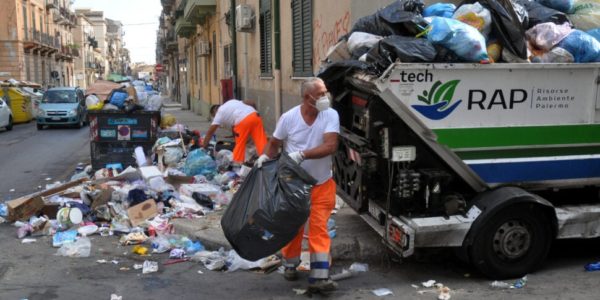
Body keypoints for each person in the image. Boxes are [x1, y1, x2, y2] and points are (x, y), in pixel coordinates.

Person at [255, 77, 340, 293]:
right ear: (307, 97)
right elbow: (274, 143)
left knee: (319, 228)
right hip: (293, 185)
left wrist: (302, 154)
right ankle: (290, 265)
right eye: (320, 94)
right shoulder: (289, 118)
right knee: (293, 227)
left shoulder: (330, 114)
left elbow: (331, 145)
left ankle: (320, 277)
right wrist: (265, 158)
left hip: (321, 184)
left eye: (325, 92)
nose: (325, 97)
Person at [202, 99, 267, 163]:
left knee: (240, 144)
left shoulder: (219, 113)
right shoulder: (231, 102)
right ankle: (266, 160)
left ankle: (237, 164)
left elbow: (210, 132)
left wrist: (204, 146)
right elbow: (250, 102)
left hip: (243, 121)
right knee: (261, 141)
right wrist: (253, 111)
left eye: (214, 116)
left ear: (214, 112)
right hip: (255, 116)